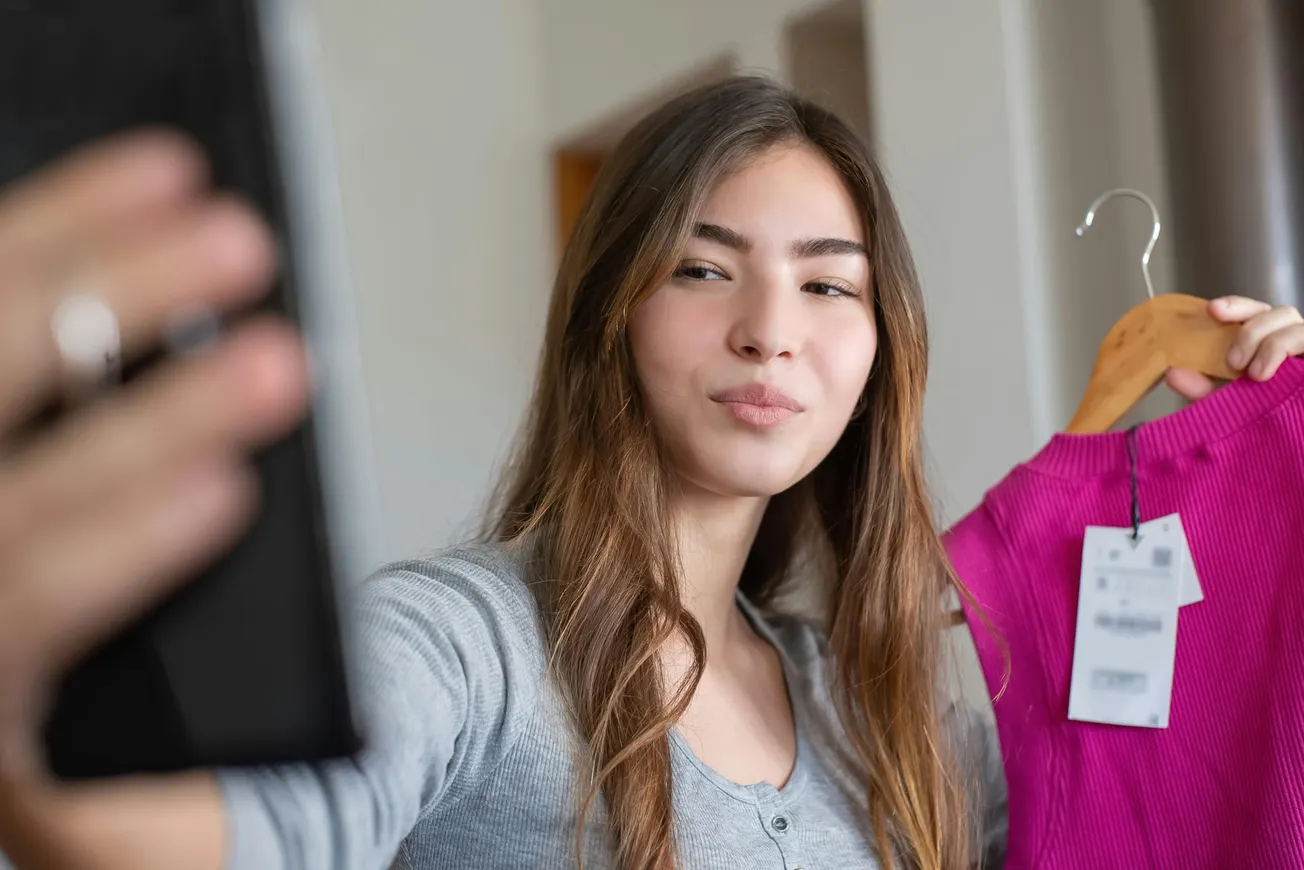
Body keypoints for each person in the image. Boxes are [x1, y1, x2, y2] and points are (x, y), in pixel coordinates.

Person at [0, 76, 1301, 870]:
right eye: (701, 265)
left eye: (829, 283)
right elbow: (235, 833)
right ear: (609, 310)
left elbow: (1180, 803)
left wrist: (1267, 484)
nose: (770, 327)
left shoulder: (882, 709)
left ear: (881, 347)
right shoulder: (465, 643)